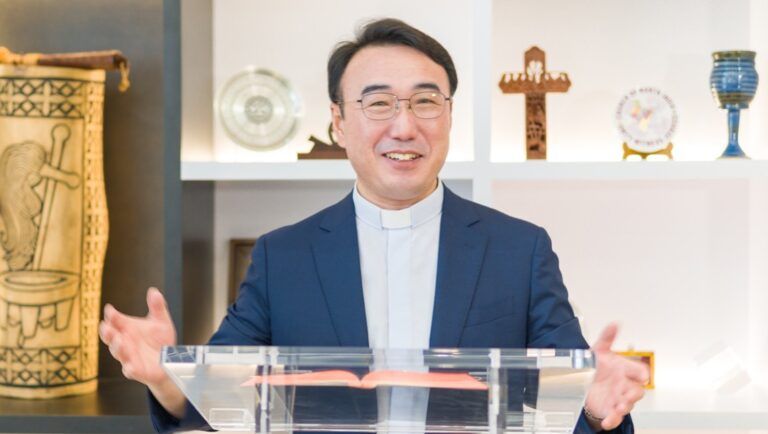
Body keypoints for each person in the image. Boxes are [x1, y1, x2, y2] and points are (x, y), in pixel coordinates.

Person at [99, 18, 648, 434]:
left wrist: (596, 410)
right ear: (339, 122)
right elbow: (219, 404)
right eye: (378, 103)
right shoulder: (282, 256)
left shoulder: (520, 249)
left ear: (449, 116)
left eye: (425, 101)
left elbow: (572, 400)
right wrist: (167, 378)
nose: (404, 126)